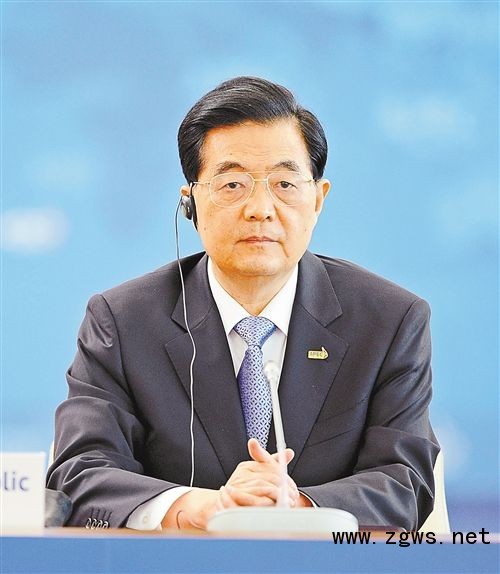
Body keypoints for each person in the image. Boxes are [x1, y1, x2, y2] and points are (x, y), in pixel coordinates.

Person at [47, 76, 440, 531]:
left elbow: (406, 482)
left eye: (284, 183)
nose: (260, 209)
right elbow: (79, 473)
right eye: (232, 184)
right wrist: (201, 508)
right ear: (191, 203)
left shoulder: (389, 321)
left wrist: (297, 506)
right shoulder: (122, 321)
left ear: (318, 200)